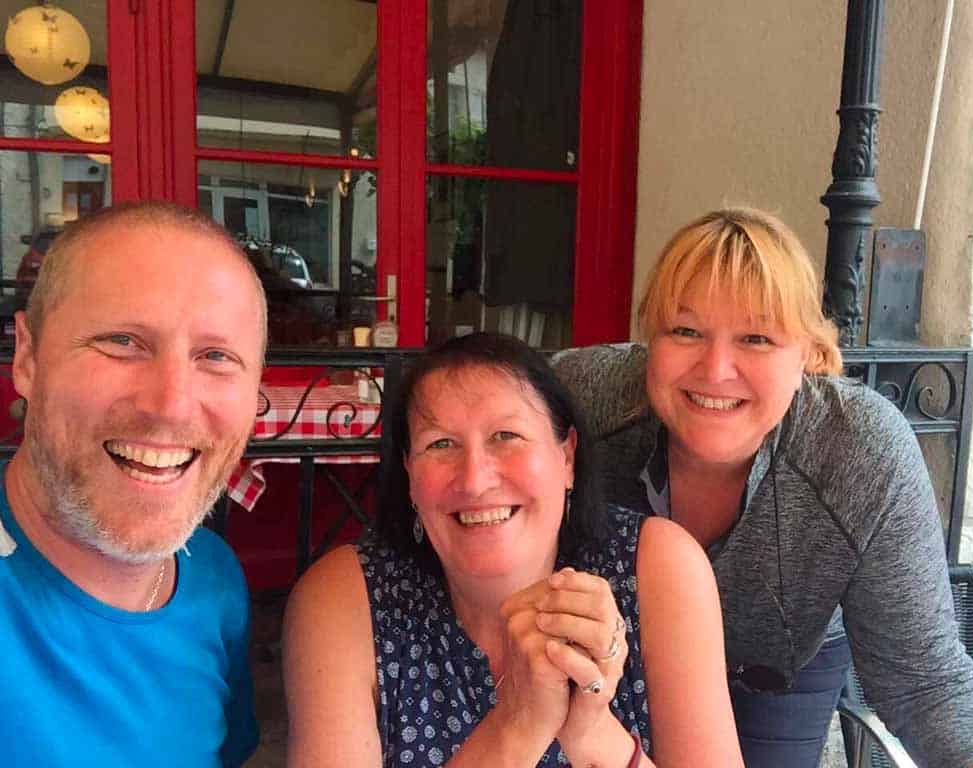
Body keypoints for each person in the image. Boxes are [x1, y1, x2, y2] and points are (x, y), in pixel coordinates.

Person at [554, 207, 973, 768]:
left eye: (756, 337)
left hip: (776, 667)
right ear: (649, 339)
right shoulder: (582, 403)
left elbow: (925, 684)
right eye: (685, 331)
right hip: (614, 657)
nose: (716, 369)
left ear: (809, 354)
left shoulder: (861, 450)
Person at [283, 332, 743, 767]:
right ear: (408, 477)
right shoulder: (346, 599)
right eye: (440, 444)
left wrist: (591, 730)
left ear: (566, 457)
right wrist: (518, 724)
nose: (475, 479)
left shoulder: (657, 567)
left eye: (507, 436)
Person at [0, 201, 265, 766]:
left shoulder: (213, 579)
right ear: (27, 356)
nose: (170, 405)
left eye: (215, 356)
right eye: (122, 341)